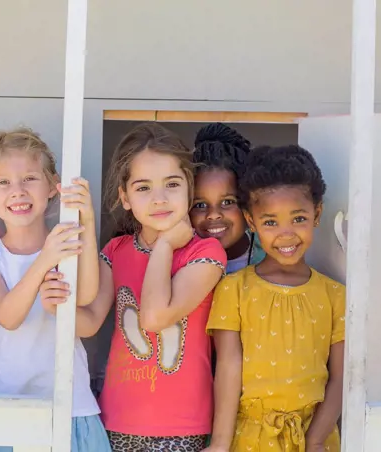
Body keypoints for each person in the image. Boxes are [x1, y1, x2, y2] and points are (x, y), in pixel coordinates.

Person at [41, 123, 226, 451]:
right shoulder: (116, 251)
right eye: (143, 188)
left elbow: (155, 317)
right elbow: (89, 322)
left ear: (189, 188)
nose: (159, 198)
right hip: (117, 420)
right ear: (125, 197)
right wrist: (58, 305)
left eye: (172, 184)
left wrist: (166, 245)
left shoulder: (206, 253)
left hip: (182, 426)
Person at [0, 127, 110, 452]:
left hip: (71, 407)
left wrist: (85, 218)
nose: (17, 191)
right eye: (3, 182)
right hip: (11, 409)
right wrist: (45, 260)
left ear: (52, 187)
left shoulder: (68, 243)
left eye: (30, 178)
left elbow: (87, 295)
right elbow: (8, 316)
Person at [205, 145, 344, 452]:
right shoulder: (233, 289)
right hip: (250, 439)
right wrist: (219, 444)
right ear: (251, 221)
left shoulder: (335, 295)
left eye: (298, 219)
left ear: (317, 214)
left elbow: (342, 377)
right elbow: (228, 368)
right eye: (270, 222)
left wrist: (317, 440)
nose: (286, 234)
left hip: (314, 438)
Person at [190, 123, 265, 273]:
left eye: (227, 202)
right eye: (200, 205)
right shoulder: (177, 260)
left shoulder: (270, 256)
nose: (213, 215)